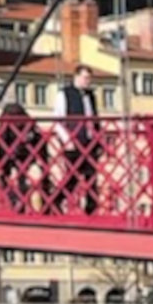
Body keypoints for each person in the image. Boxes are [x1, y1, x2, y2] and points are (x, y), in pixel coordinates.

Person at [50, 64, 103, 215]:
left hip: (89, 141)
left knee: (91, 176)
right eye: (85, 78)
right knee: (72, 177)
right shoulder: (64, 94)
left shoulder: (91, 96)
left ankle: (91, 209)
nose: (88, 81)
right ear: (76, 77)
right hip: (73, 141)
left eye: (89, 78)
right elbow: (58, 119)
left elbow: (94, 117)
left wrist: (98, 139)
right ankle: (56, 201)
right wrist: (67, 139)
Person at [0, 101, 43, 212]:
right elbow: (39, 138)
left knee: (10, 182)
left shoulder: (6, 122)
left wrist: (2, 166)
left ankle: (17, 203)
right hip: (28, 156)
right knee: (25, 182)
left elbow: (2, 143)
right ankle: (26, 204)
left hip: (13, 156)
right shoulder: (28, 122)